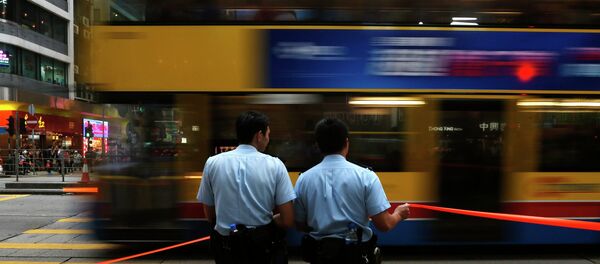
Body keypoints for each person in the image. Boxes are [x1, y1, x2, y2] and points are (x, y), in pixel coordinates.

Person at [294, 118, 410, 264]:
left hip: (319, 256)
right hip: (356, 255)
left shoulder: (303, 179)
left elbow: (299, 224)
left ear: (317, 145)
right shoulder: (366, 176)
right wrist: (399, 214)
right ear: (346, 143)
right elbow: (384, 224)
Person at [197, 111, 296, 264]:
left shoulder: (212, 163)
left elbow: (210, 216)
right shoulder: (275, 165)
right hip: (262, 249)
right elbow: (288, 219)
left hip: (226, 249)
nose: (268, 139)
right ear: (259, 135)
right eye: (268, 134)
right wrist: (270, 221)